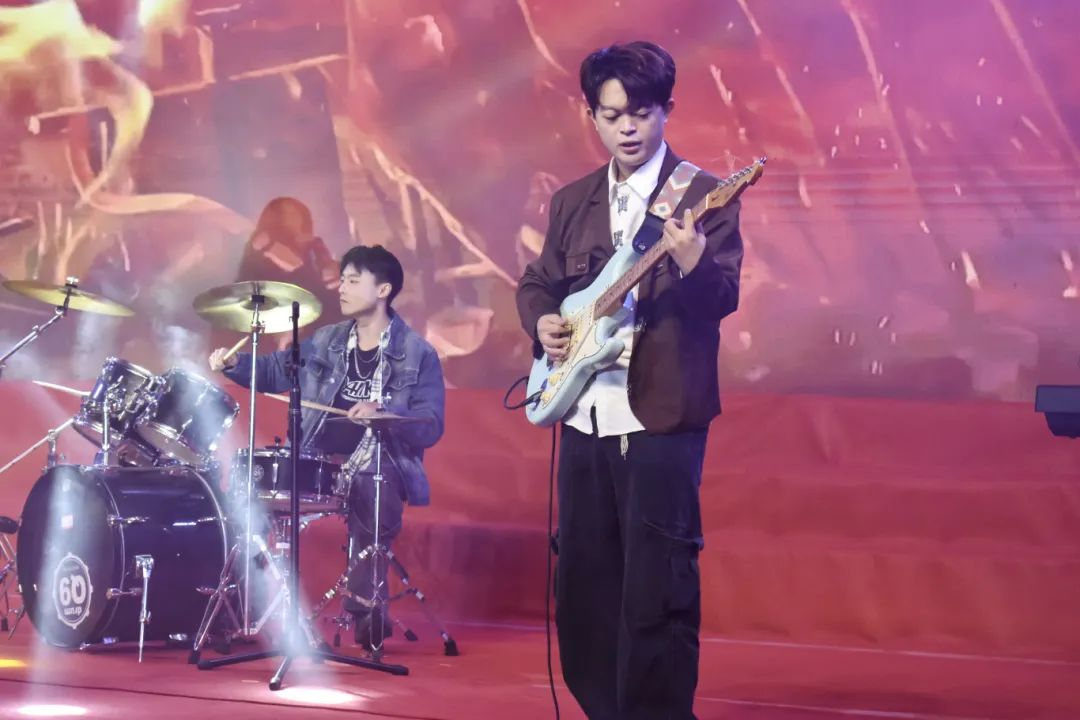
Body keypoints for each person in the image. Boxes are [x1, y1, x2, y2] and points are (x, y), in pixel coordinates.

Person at [515, 41, 743, 720]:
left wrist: (694, 261)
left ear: (666, 110)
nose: (627, 129)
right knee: (584, 585)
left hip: (660, 417)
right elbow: (537, 282)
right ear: (591, 116)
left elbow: (722, 296)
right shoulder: (572, 201)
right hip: (584, 414)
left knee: (658, 588)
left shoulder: (701, 195)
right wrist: (543, 320)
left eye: (641, 113)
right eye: (612, 116)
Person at [209, 244, 445, 650]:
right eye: (342, 279)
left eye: (353, 280)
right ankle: (239, 605)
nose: (342, 287)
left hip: (379, 461)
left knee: (373, 483)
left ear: (383, 289)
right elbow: (277, 370)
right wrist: (236, 366)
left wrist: (385, 412)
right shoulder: (327, 340)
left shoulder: (418, 353)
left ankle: (366, 607)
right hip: (315, 457)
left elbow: (430, 423)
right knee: (253, 483)